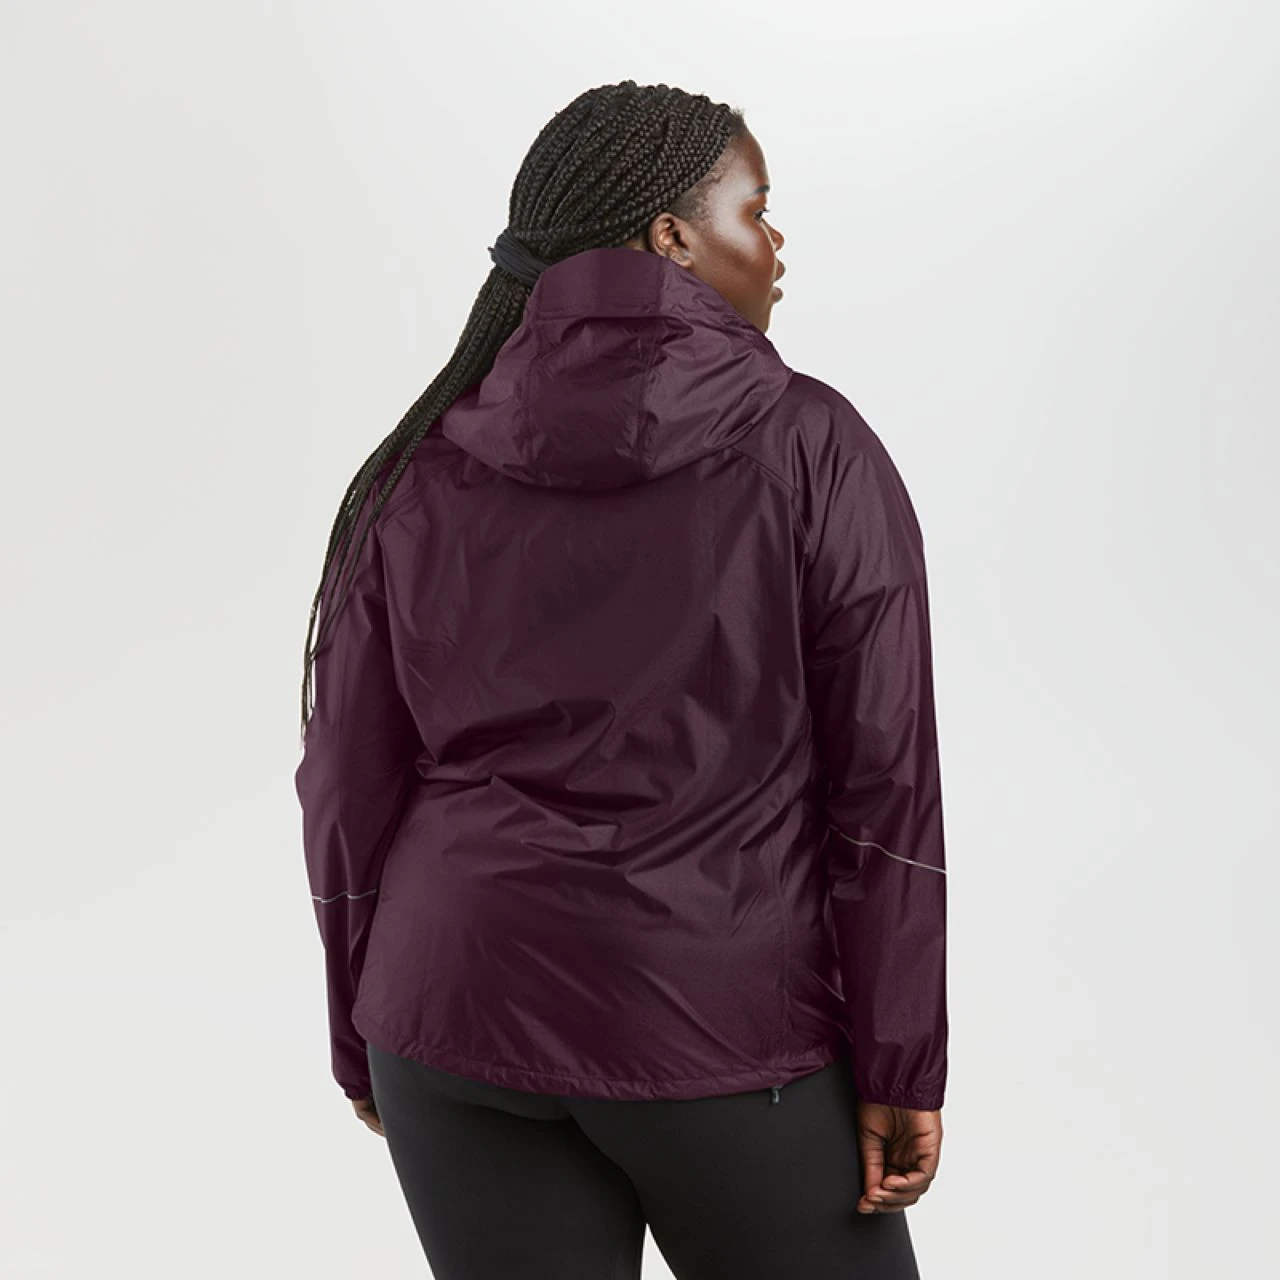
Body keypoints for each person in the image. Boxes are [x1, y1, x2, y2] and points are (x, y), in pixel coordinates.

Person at [294, 78, 948, 1280]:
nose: (777, 243)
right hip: (718, 1028)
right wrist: (900, 1057)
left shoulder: (418, 459)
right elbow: (882, 787)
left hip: (450, 1016)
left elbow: (344, 782)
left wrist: (361, 1017)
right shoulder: (811, 444)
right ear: (670, 237)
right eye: (756, 208)